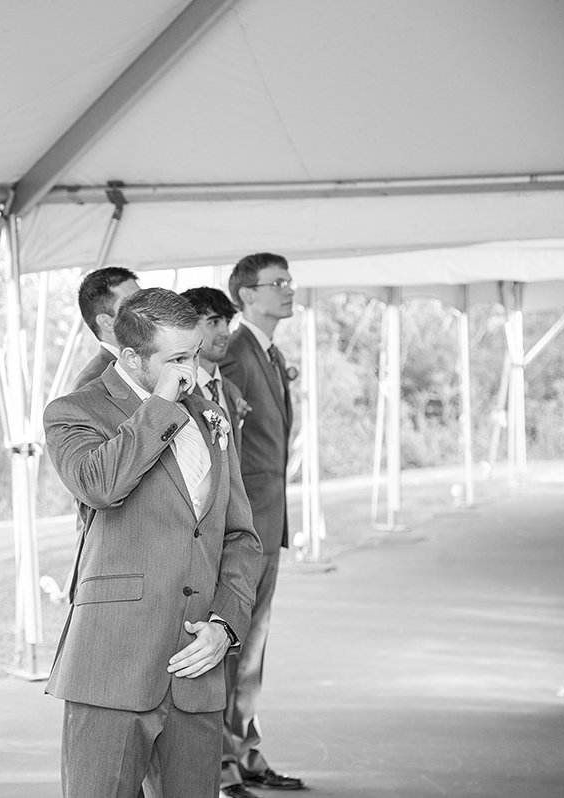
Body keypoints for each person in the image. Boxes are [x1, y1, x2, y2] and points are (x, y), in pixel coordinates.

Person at [44, 287, 263, 798]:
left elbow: (239, 536)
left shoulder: (210, 413)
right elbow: (101, 484)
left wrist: (225, 627)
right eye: (178, 359)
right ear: (130, 357)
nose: (194, 368)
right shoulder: (74, 411)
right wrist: (161, 403)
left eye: (195, 352)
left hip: (196, 666)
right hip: (112, 663)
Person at [217, 253, 304, 795]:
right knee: (236, 643)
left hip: (270, 522)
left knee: (254, 646)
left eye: (290, 281)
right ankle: (224, 760)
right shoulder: (235, 352)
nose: (289, 290)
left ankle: (245, 749)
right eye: (278, 283)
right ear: (247, 295)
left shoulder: (269, 353)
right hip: (245, 529)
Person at [181, 287, 249, 431]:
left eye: (227, 322)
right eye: (214, 322)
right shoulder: (176, 390)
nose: (226, 332)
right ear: (187, 326)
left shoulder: (232, 390)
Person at [71, 266, 140, 390]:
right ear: (106, 322)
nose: (147, 309)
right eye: (133, 304)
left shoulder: (157, 362)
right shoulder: (89, 385)